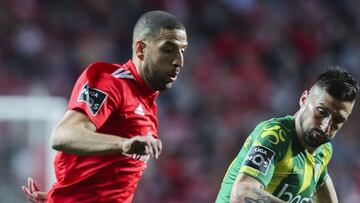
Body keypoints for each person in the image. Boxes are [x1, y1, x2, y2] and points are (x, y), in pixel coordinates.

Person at [21, 10, 188, 203]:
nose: (179, 61)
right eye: (168, 49)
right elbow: (62, 135)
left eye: (182, 50)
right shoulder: (108, 81)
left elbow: (103, 176)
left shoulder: (148, 106)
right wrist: (123, 144)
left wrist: (65, 195)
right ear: (141, 49)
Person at [216, 66, 358, 203]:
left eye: (338, 120)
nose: (325, 126)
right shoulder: (276, 136)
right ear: (303, 99)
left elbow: (324, 194)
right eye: (321, 112)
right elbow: (242, 194)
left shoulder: (323, 150)